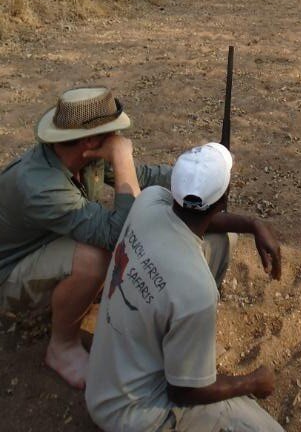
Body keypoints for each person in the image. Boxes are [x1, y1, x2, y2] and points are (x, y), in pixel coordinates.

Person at [86, 143, 285, 432]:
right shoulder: (197, 291)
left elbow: (198, 218)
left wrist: (253, 224)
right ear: (223, 199)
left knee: (223, 240)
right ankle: (190, 358)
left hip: (104, 384)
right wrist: (253, 382)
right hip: (133, 414)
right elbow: (183, 393)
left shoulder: (149, 200)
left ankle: (186, 346)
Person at [0, 86, 172, 389]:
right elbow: (119, 234)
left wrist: (194, 171)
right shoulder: (39, 185)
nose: (119, 138)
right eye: (114, 132)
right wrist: (121, 159)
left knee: (98, 254)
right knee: (96, 259)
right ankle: (61, 348)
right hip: (8, 274)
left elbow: (139, 175)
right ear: (91, 140)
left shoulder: (80, 154)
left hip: (44, 245)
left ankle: (71, 295)